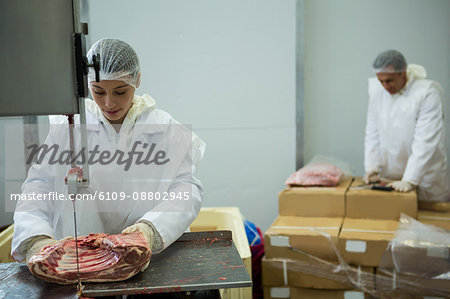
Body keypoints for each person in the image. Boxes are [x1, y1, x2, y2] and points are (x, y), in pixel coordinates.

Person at [11, 38, 205, 268]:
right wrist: (34, 236)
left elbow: (186, 189)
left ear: (138, 80)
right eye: (98, 91)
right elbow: (39, 185)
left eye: (120, 91)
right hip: (78, 261)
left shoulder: (164, 129)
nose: (109, 103)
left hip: (151, 260)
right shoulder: (70, 127)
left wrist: (150, 230)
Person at [364, 49, 449, 202]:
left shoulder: (426, 92)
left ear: (403, 73)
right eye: (381, 81)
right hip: (391, 176)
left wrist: (410, 179)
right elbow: (372, 132)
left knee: (429, 221)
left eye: (389, 80)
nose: (385, 86)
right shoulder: (377, 91)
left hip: (426, 177)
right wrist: (372, 166)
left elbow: (426, 140)